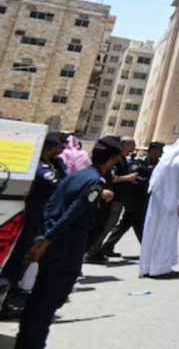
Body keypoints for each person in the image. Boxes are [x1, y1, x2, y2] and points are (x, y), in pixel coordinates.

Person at [15, 136, 124, 349]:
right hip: (66, 249)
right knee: (48, 304)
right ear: (112, 160)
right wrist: (46, 241)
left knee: (38, 300)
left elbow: (50, 206)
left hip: (54, 244)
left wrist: (45, 236)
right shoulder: (94, 182)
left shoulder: (78, 175)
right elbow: (72, 215)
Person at [0, 133, 67, 319]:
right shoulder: (37, 166)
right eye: (58, 146)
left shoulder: (55, 164)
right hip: (28, 218)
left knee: (23, 260)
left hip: (39, 220)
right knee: (15, 260)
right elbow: (53, 183)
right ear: (50, 147)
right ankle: (5, 301)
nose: (61, 149)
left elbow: (62, 181)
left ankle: (10, 296)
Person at [140, 134, 179, 279]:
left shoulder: (168, 158)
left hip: (158, 202)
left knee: (152, 234)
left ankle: (148, 267)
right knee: (165, 236)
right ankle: (160, 268)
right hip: (171, 204)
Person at [100, 141, 163, 254]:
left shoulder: (159, 163)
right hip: (135, 198)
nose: (161, 153)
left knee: (128, 224)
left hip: (145, 199)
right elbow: (133, 178)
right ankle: (149, 250)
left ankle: (107, 247)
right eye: (159, 150)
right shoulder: (140, 162)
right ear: (153, 150)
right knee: (136, 223)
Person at [85, 137, 139, 263]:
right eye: (132, 144)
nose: (134, 147)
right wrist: (127, 178)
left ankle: (96, 250)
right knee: (105, 226)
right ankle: (90, 251)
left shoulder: (122, 158)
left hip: (118, 197)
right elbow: (113, 177)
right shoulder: (114, 159)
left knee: (109, 225)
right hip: (111, 197)